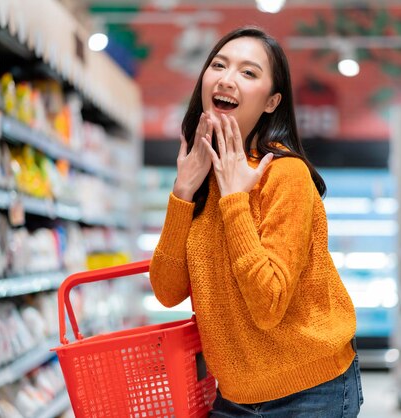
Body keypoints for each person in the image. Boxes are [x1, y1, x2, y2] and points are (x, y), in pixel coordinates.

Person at [149, 26, 362, 417]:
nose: (227, 79)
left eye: (249, 73)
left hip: (310, 392)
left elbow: (268, 304)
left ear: (271, 101)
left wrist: (235, 199)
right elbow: (166, 290)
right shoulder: (201, 177)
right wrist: (181, 192)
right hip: (232, 396)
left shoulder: (286, 175)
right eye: (219, 65)